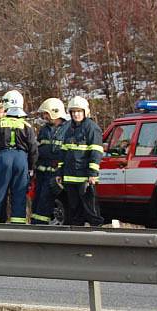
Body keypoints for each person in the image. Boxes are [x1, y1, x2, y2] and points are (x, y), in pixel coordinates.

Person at [0, 90, 38, 224]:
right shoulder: (27, 126)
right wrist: (31, 168)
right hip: (21, 160)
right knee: (19, 195)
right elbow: (33, 149)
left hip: (3, 159)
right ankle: (17, 227)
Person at [56, 96, 104, 226]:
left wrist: (92, 174)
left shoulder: (92, 128)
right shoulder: (68, 129)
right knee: (74, 212)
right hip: (70, 177)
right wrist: (60, 173)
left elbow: (96, 152)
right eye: (73, 111)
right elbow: (63, 153)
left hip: (85, 177)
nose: (76, 114)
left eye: (79, 111)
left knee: (91, 211)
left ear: (85, 112)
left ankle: (98, 237)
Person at [30, 98, 70, 224]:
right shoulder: (44, 130)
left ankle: (41, 229)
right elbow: (38, 150)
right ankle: (35, 228)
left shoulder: (68, 129)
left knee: (45, 203)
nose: (44, 117)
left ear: (55, 112)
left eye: (46, 114)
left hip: (55, 174)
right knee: (37, 203)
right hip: (41, 174)